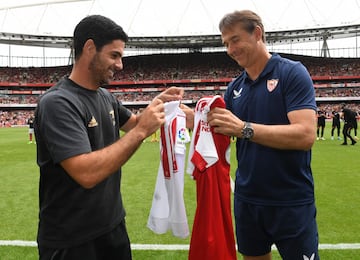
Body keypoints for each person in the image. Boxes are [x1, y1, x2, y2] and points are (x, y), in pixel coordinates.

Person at [34, 15, 185, 260]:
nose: (120, 65)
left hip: (112, 226)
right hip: (71, 240)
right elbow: (86, 173)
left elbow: (135, 123)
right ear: (90, 48)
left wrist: (160, 105)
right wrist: (140, 131)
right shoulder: (58, 103)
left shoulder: (105, 97)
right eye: (114, 55)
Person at [206, 10, 320, 260]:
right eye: (225, 43)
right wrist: (186, 116)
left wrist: (244, 128)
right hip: (248, 200)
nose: (230, 49)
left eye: (235, 40)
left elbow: (305, 135)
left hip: (290, 200)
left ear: (257, 33)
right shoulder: (235, 87)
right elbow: (225, 127)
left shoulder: (292, 73)